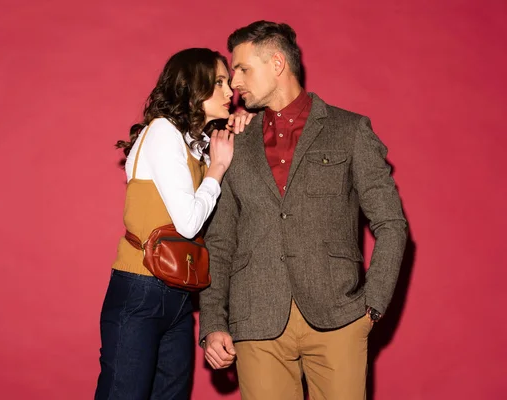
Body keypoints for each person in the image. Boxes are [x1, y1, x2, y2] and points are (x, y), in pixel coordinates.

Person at [199, 21, 408, 400]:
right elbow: (220, 239)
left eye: (243, 69)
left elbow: (391, 223)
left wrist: (372, 306)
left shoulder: (349, 130)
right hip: (255, 319)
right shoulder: (235, 141)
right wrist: (213, 321)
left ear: (277, 64)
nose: (235, 83)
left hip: (339, 317)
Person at [95, 47, 250, 400]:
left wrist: (246, 125)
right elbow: (188, 221)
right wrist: (217, 168)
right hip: (141, 289)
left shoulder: (196, 143)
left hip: (179, 293)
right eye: (220, 82)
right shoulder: (163, 132)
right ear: (193, 86)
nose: (231, 92)